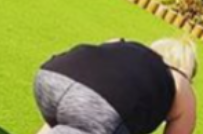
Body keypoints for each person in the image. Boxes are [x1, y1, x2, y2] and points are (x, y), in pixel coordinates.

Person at [34, 38, 197, 134]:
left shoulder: (123, 46)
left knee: (68, 116)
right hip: (98, 109)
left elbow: (88, 81)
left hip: (51, 76)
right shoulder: (181, 85)